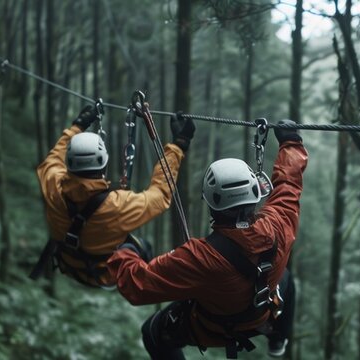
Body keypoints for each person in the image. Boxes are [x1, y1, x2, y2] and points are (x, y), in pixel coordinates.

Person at [106, 119, 307, 359]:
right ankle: (278, 337)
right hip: (261, 314)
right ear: (256, 193)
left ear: (211, 204)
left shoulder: (198, 258)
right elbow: (289, 184)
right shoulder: (279, 224)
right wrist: (291, 142)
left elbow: (135, 286)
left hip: (211, 328)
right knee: (286, 278)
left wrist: (126, 250)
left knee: (152, 332)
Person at [33, 105, 194, 288]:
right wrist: (178, 145)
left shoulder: (52, 185)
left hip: (68, 264)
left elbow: (52, 159)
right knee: (143, 247)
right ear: (104, 165)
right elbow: (160, 194)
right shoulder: (118, 206)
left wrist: (77, 126)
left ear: (69, 163)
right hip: (103, 274)